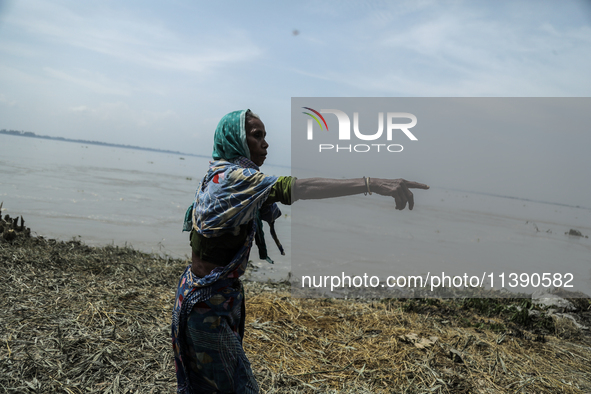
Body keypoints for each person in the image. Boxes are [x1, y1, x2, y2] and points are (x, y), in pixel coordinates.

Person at [171, 109, 429, 393]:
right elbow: (299, 188)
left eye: (265, 136)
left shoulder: (217, 174)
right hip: (207, 304)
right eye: (257, 136)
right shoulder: (234, 180)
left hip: (209, 297)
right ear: (236, 141)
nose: (265, 144)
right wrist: (372, 184)